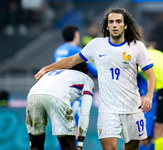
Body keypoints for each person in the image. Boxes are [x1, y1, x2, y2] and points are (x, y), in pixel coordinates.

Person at [34, 8, 156, 150]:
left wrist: (148, 96)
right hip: (107, 109)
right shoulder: (97, 45)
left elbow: (150, 75)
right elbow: (72, 60)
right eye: (111, 22)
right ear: (107, 26)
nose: (115, 25)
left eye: (118, 22)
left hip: (132, 107)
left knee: (132, 148)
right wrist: (46, 68)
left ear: (125, 25)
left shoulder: (137, 46)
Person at [26, 62, 94, 150]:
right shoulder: (86, 79)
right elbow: (84, 112)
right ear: (86, 72)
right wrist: (80, 143)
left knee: (36, 146)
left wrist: (31, 142)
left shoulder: (53, 73)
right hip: (58, 96)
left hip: (32, 94)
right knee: (67, 146)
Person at [53, 25, 97, 148]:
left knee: (63, 130)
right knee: (75, 129)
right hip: (73, 93)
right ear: (76, 35)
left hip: (59, 93)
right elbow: (93, 70)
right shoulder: (76, 50)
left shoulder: (58, 51)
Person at [138, 42, 163, 150]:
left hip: (157, 99)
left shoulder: (145, 57)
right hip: (150, 103)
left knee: (154, 134)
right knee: (144, 137)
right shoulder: (161, 55)